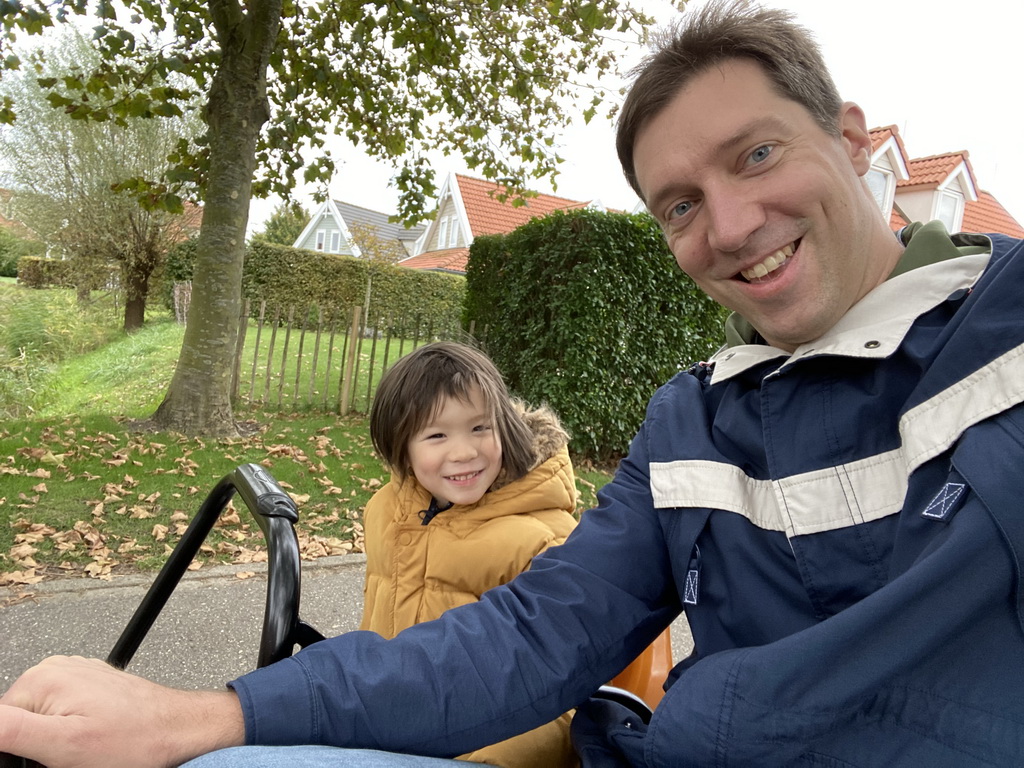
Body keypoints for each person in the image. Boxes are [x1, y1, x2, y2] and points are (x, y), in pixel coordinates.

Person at [4, 1, 1024, 765]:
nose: (727, 225)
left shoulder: (1004, 335)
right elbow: (537, 633)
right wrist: (205, 713)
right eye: (677, 206)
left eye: (756, 154)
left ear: (849, 142)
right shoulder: (693, 422)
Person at [359, 341, 579, 768]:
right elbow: (375, 630)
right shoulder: (386, 511)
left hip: (484, 747)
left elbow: (562, 697)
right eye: (437, 435)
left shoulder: (543, 541)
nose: (464, 452)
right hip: (384, 728)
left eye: (480, 428)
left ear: (506, 428)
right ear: (400, 445)